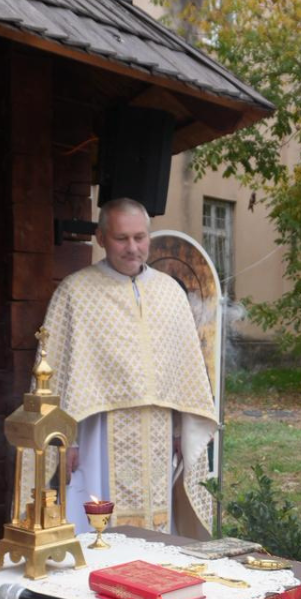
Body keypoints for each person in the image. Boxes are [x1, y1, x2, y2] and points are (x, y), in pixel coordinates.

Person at [26, 197, 218, 538]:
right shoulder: (76, 291)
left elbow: (183, 371)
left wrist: (178, 432)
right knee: (98, 522)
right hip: (97, 430)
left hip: (158, 432)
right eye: (121, 238)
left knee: (158, 528)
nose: (133, 248)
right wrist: (64, 441)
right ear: (101, 238)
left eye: (140, 237)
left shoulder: (169, 292)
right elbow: (54, 371)